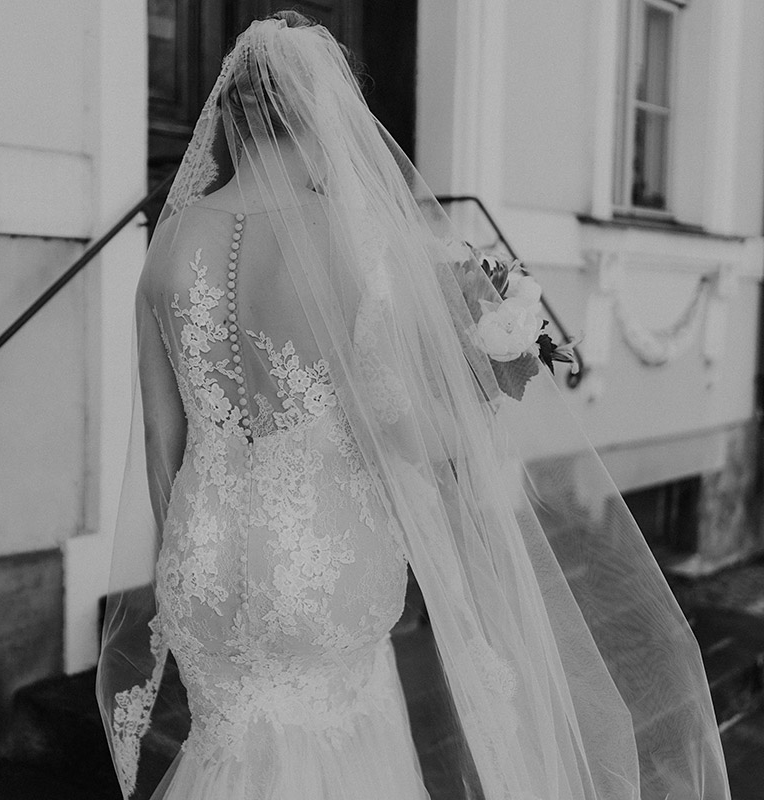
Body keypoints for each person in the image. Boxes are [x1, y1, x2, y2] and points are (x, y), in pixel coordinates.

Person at [98, 11, 730, 800]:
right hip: (319, 552)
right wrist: (475, 392)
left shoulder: (168, 246)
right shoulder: (347, 241)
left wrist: (184, 551)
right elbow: (398, 428)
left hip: (202, 548)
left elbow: (164, 444)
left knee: (230, 753)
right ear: (322, 115)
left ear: (229, 116)